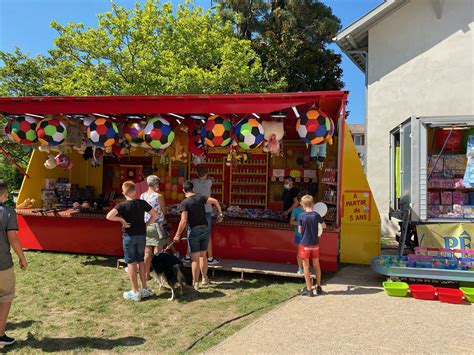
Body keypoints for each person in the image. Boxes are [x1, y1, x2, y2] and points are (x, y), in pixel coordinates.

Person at [107, 181, 158, 302]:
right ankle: (144, 288)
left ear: (124, 192)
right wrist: (146, 224)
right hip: (141, 235)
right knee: (140, 261)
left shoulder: (122, 205)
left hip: (129, 236)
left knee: (131, 262)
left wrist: (122, 220)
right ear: (135, 192)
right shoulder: (142, 203)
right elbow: (155, 215)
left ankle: (135, 291)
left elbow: (109, 216)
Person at [173, 181, 223, 290]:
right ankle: (204, 278)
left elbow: (183, 220)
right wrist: (220, 214)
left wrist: (177, 234)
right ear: (193, 189)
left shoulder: (184, 203)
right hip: (205, 229)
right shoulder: (200, 197)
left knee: (195, 258)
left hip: (194, 230)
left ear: (183, 191)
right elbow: (215, 201)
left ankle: (195, 283)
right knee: (203, 256)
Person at [0, 180, 28, 347]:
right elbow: (13, 238)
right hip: (3, 264)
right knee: (5, 296)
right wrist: (22, 257)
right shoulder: (8, 212)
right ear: (3, 194)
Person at [140, 175, 168, 281]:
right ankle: (157, 275)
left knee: (147, 252)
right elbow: (164, 211)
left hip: (146, 225)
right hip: (157, 226)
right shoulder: (158, 196)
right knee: (158, 251)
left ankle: (146, 274)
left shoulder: (142, 196)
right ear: (156, 184)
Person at [298, 195, 325, 297]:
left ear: (303, 205)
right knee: (317, 265)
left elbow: (300, 230)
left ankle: (309, 289)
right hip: (315, 244)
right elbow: (323, 226)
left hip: (304, 244)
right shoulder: (317, 215)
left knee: (306, 266)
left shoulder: (301, 216)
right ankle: (318, 287)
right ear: (313, 204)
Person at [192, 165, 219, 265]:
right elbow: (212, 179)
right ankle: (210, 258)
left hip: (195, 211)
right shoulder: (209, 182)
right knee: (207, 235)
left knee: (193, 233)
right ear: (206, 174)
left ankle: (188, 256)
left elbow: (192, 181)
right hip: (206, 211)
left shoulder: (194, 182)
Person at [290, 194, 304, 275]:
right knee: (300, 252)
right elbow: (291, 221)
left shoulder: (310, 210)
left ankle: (305, 268)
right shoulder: (295, 210)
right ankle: (300, 268)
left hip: (308, 235)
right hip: (299, 235)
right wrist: (300, 223)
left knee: (307, 253)